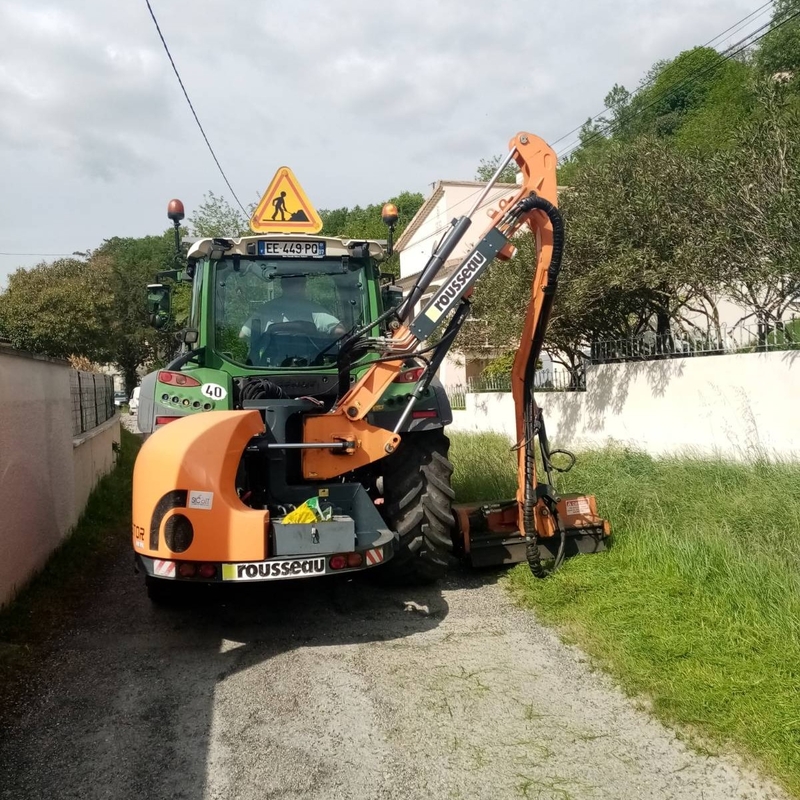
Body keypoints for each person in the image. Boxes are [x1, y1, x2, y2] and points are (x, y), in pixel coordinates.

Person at [239, 276, 346, 342]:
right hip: (310, 367)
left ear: (282, 285)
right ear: (304, 285)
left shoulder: (266, 310)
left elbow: (243, 335)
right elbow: (340, 331)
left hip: (269, 368)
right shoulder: (315, 311)